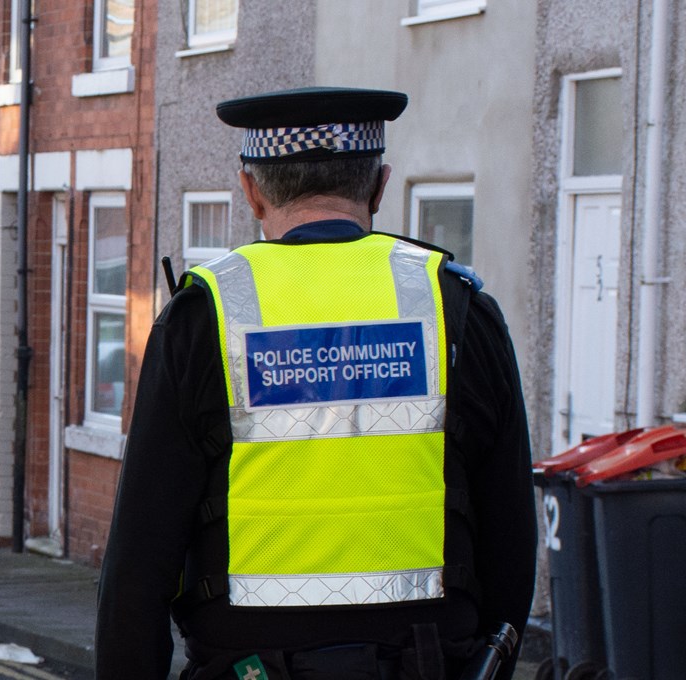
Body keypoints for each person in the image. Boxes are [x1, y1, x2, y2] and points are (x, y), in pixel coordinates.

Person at [94, 87, 533, 680]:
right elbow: (511, 540)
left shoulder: (204, 318)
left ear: (250, 191)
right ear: (379, 185)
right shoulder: (457, 307)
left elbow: (138, 567)